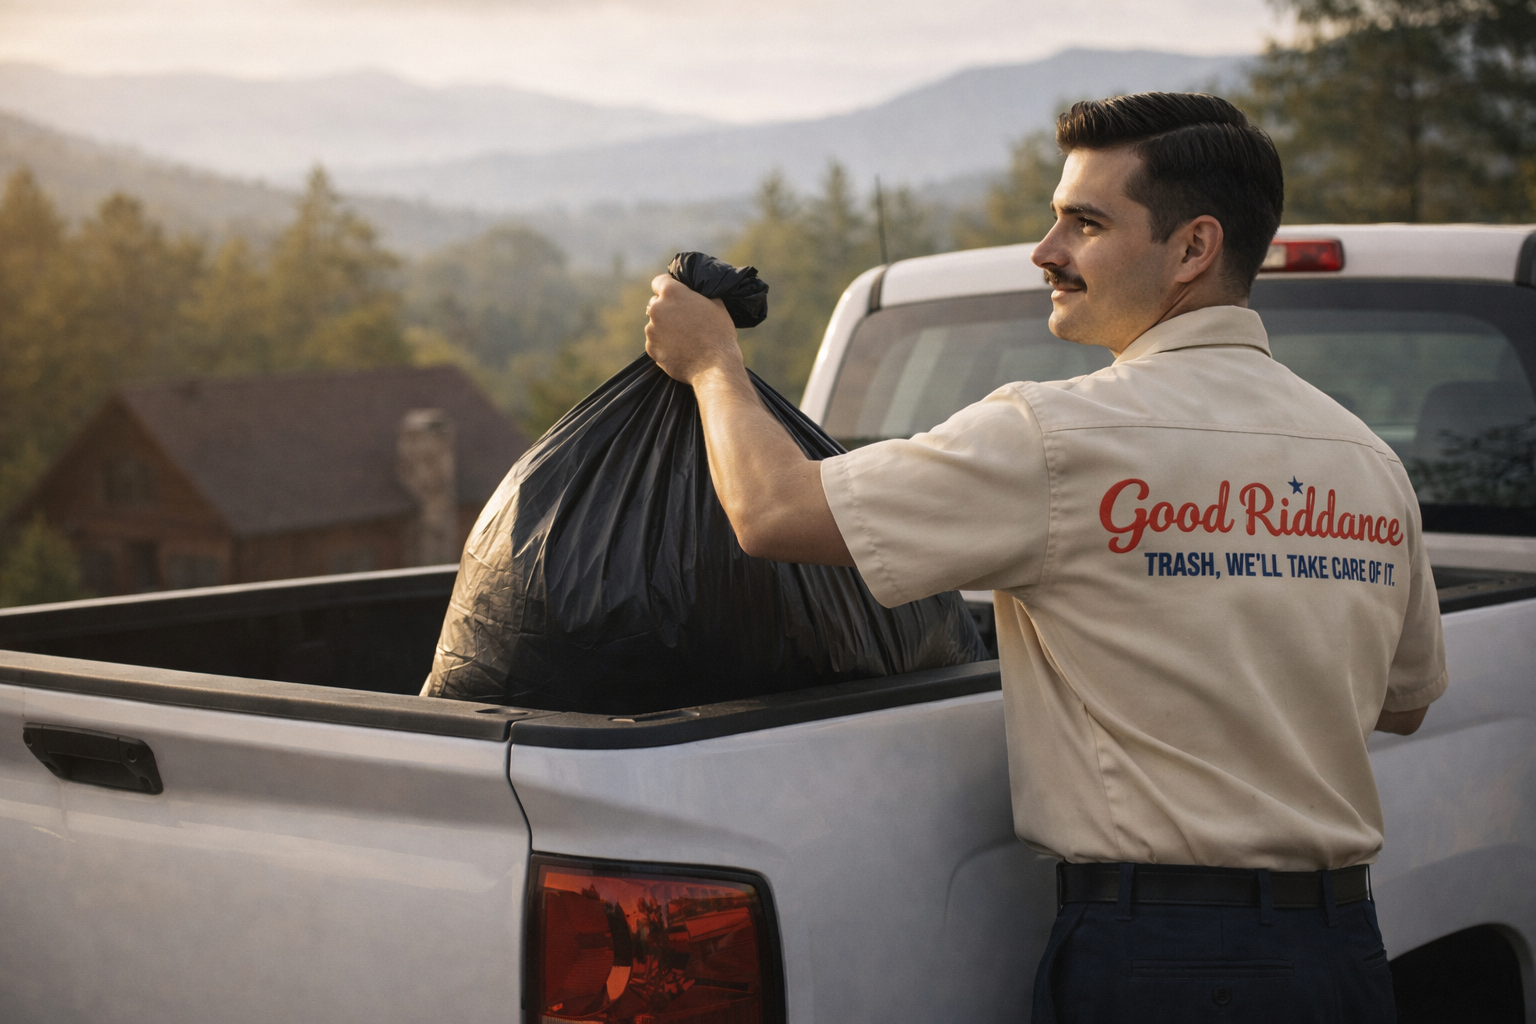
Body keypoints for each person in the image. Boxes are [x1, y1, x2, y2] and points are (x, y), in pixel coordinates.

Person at [643, 92, 1446, 1023]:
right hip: (1342, 959)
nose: (1046, 250)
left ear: (1192, 248)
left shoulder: (1055, 436)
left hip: (1161, 964)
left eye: (1086, 222)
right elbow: (1409, 701)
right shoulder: (1365, 459)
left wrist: (711, 366)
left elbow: (775, 510)